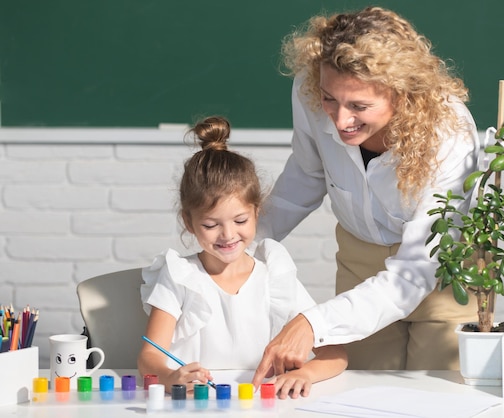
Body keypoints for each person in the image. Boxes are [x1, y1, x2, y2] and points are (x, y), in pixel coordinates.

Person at [252, 6, 480, 386]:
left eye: (359, 106)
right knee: (362, 392)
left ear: (402, 95)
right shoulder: (311, 88)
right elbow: (307, 176)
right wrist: (238, 247)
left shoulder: (451, 134)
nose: (340, 121)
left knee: (440, 395)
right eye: (330, 100)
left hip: (441, 275)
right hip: (360, 263)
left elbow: (414, 272)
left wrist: (314, 321)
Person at [137, 115, 347, 399]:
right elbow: (148, 356)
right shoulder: (179, 275)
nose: (227, 235)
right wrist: (171, 377)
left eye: (240, 220)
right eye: (211, 225)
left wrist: (304, 374)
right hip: (194, 405)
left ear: (257, 212)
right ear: (189, 222)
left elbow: (335, 355)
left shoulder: (274, 273)